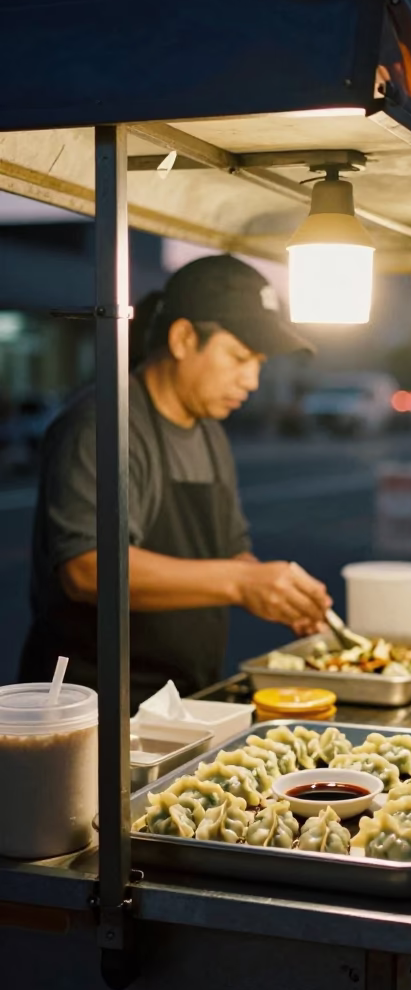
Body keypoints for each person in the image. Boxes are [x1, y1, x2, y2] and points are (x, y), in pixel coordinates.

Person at [19, 255, 331, 706]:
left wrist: (280, 591)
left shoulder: (209, 432)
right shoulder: (105, 422)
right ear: (184, 338)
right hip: (95, 711)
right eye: (240, 357)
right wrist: (242, 584)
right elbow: (87, 570)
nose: (252, 379)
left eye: (259, 362)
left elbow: (230, 555)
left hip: (184, 701)